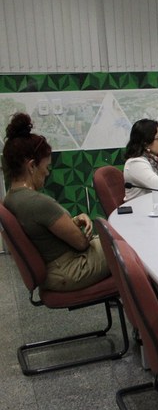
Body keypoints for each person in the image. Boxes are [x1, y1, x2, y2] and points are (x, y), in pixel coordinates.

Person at [2, 112, 110, 292]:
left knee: (115, 241)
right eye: (46, 167)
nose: (48, 172)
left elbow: (43, 231)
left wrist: (73, 222)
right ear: (31, 166)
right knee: (129, 244)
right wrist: (78, 229)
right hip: (71, 270)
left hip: (55, 270)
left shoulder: (11, 198)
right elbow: (81, 243)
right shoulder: (38, 202)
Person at [123, 119, 158, 201]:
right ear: (146, 143)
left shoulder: (154, 159)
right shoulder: (135, 163)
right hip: (139, 210)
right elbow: (157, 185)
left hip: (153, 206)